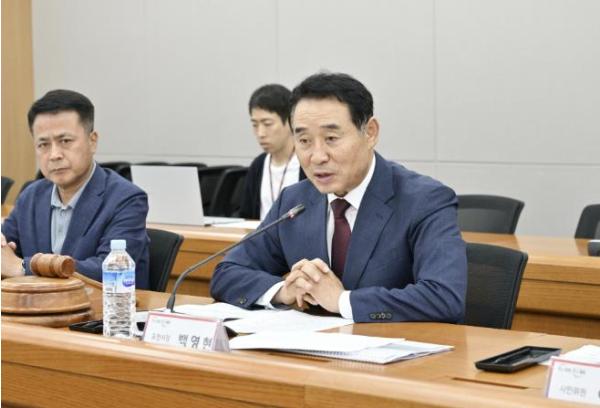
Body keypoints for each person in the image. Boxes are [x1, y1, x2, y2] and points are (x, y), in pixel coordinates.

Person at [211, 73, 467, 323]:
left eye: (331, 139)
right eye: (304, 140)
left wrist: (342, 301)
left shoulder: (425, 200)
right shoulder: (295, 200)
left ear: (370, 133)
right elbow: (227, 273)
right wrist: (284, 291)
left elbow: (444, 297)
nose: (317, 156)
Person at [1, 89, 150, 289]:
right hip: (35, 306)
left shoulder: (127, 199)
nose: (54, 154)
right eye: (43, 144)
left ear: (92, 141)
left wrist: (22, 267)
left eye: (65, 141)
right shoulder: (31, 196)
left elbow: (108, 270)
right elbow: (5, 251)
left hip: (100, 308)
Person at [239, 84, 306, 220]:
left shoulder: (306, 163)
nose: (260, 133)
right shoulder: (258, 164)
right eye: (255, 125)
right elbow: (246, 215)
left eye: (267, 124)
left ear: (290, 122)